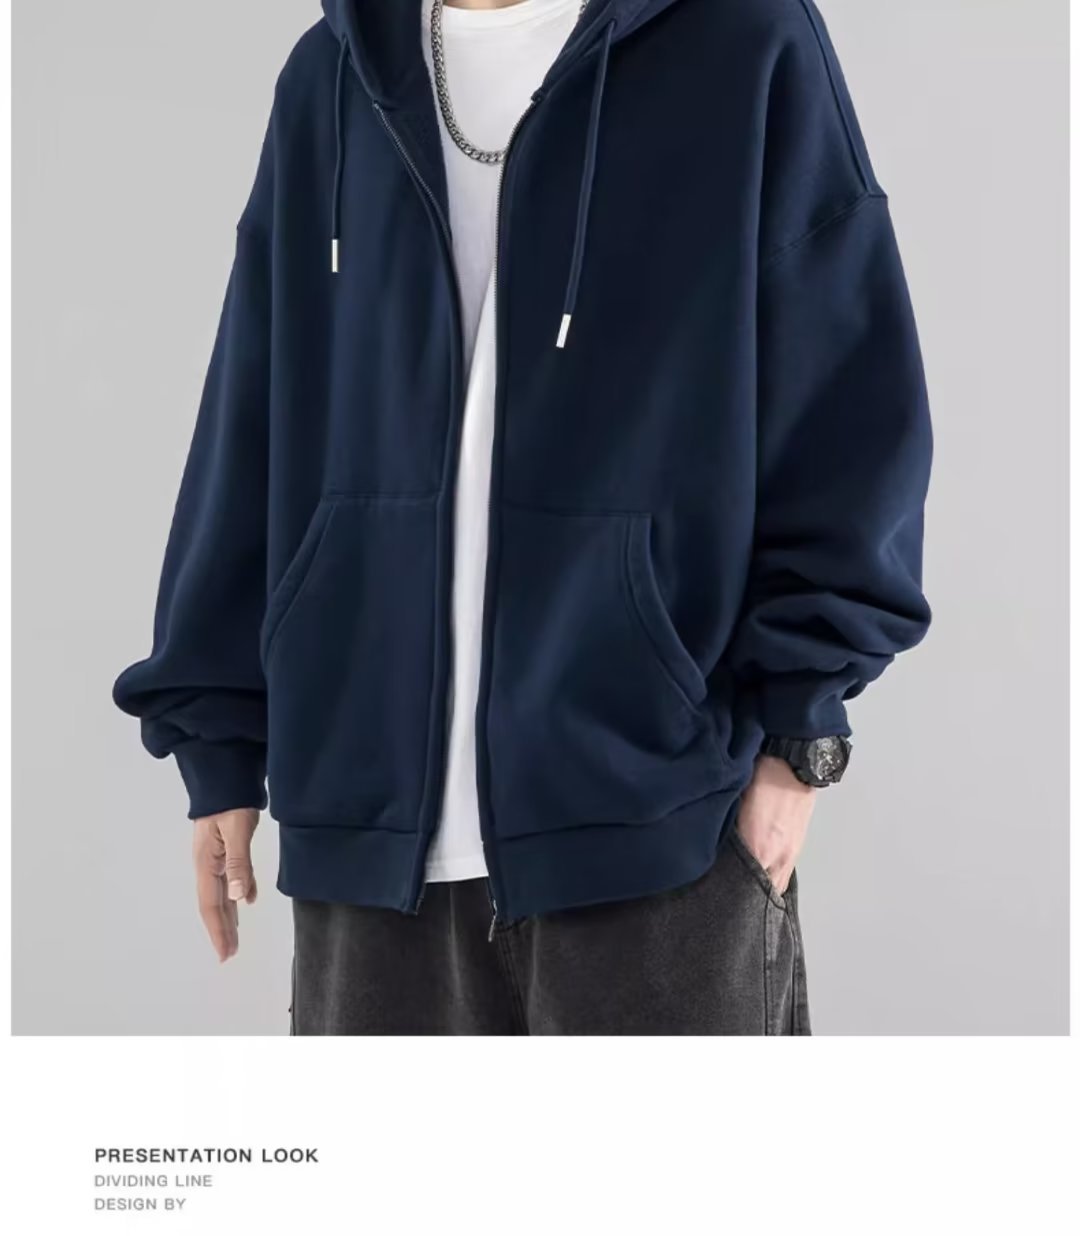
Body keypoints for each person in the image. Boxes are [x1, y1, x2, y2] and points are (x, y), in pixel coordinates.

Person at [114, 0, 932, 1035]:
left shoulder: (742, 42)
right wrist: (219, 736)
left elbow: (847, 394)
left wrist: (800, 732)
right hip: (369, 845)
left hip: (654, 828)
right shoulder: (332, 75)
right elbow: (255, 411)